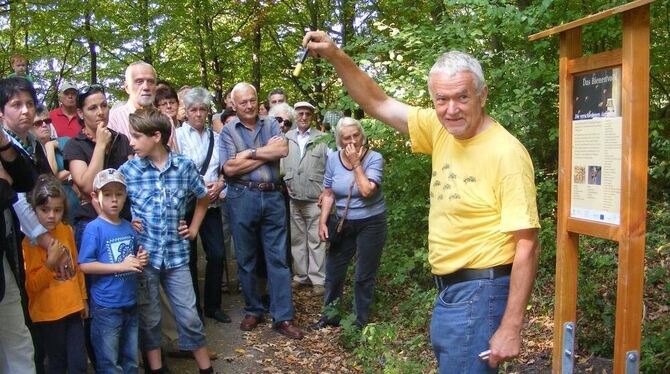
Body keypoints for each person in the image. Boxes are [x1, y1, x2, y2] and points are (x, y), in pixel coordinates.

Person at [304, 31, 541, 372]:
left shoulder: (506, 154)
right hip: (451, 291)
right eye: (441, 99)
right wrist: (336, 56)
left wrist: (511, 326)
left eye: (462, 97)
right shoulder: (440, 128)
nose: (451, 109)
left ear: (482, 95)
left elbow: (527, 245)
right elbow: (377, 103)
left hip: (481, 292)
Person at [119, 108, 213, 373]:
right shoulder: (129, 169)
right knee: (149, 319)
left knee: (189, 316)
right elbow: (104, 198)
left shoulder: (183, 166)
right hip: (144, 257)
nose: (131, 142)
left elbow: (203, 196)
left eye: (137, 136)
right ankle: (157, 369)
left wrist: (193, 228)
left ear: (156, 136)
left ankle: (206, 368)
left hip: (177, 257)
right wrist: (126, 221)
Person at [219, 82, 303, 339]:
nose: (248, 105)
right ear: (234, 104)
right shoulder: (227, 131)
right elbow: (229, 169)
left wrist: (249, 153)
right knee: (246, 257)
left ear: (258, 101)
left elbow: (282, 149)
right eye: (242, 102)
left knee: (277, 258)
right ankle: (253, 309)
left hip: (273, 194)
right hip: (241, 195)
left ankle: (283, 317)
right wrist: (264, 154)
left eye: (252, 100)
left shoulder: (271, 124)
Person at [311, 117, 386, 328]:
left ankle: (359, 321)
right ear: (340, 140)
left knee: (363, 275)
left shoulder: (374, 158)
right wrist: (323, 222)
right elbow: (328, 193)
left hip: (371, 223)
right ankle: (330, 315)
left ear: (363, 136)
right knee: (334, 271)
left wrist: (356, 164)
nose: (353, 141)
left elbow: (366, 190)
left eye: (356, 135)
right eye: (347, 137)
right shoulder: (333, 159)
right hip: (343, 222)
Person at [79, 168, 148, 374]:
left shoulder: (128, 226)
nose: (114, 200)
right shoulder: (94, 228)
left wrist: (141, 258)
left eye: (119, 194)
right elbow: (85, 264)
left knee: (130, 359)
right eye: (107, 194)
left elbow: (134, 255)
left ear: (125, 196)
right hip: (106, 305)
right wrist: (121, 266)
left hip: (130, 301)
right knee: (109, 362)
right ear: (96, 197)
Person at [22, 174, 88, 374]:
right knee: (57, 363)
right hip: (48, 314)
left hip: (73, 308)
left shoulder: (66, 230)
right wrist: (49, 265)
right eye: (45, 210)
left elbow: (76, 267)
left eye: (57, 210)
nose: (51, 215)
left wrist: (83, 298)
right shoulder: (29, 242)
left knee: (78, 364)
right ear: (34, 211)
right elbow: (31, 285)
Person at [175, 87, 230, 324]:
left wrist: (220, 185)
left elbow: (225, 170)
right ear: (186, 112)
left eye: (202, 109)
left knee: (217, 254)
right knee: (188, 258)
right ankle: (193, 308)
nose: (198, 114)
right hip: (186, 204)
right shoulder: (176, 137)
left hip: (212, 205)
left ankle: (213, 305)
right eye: (193, 109)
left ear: (208, 112)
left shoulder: (217, 139)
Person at [63, 84, 134, 247]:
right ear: (80, 113)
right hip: (90, 222)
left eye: (104, 105)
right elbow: (88, 187)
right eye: (92, 108)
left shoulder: (121, 139)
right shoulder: (74, 145)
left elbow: (132, 181)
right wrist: (100, 145)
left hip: (124, 219)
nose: (101, 112)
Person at [282, 101, 329, 296]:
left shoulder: (323, 139)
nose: (303, 117)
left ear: (312, 117)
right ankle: (300, 276)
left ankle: (318, 280)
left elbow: (330, 168)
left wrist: (326, 191)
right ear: (295, 116)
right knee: (297, 239)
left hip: (314, 198)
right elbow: (281, 164)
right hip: (294, 198)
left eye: (307, 114)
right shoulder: (287, 137)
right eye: (300, 114)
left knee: (316, 239)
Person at [32, 106, 80, 224]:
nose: (44, 125)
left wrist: (60, 175)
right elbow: (48, 178)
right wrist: (49, 147)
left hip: (73, 205)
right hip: (48, 212)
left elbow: (80, 167)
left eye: (47, 121)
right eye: (38, 123)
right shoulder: (31, 151)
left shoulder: (65, 141)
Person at [108, 62, 157, 139]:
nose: (146, 87)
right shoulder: (114, 119)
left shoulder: (166, 118)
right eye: (139, 82)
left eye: (150, 81)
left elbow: (172, 150)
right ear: (127, 87)